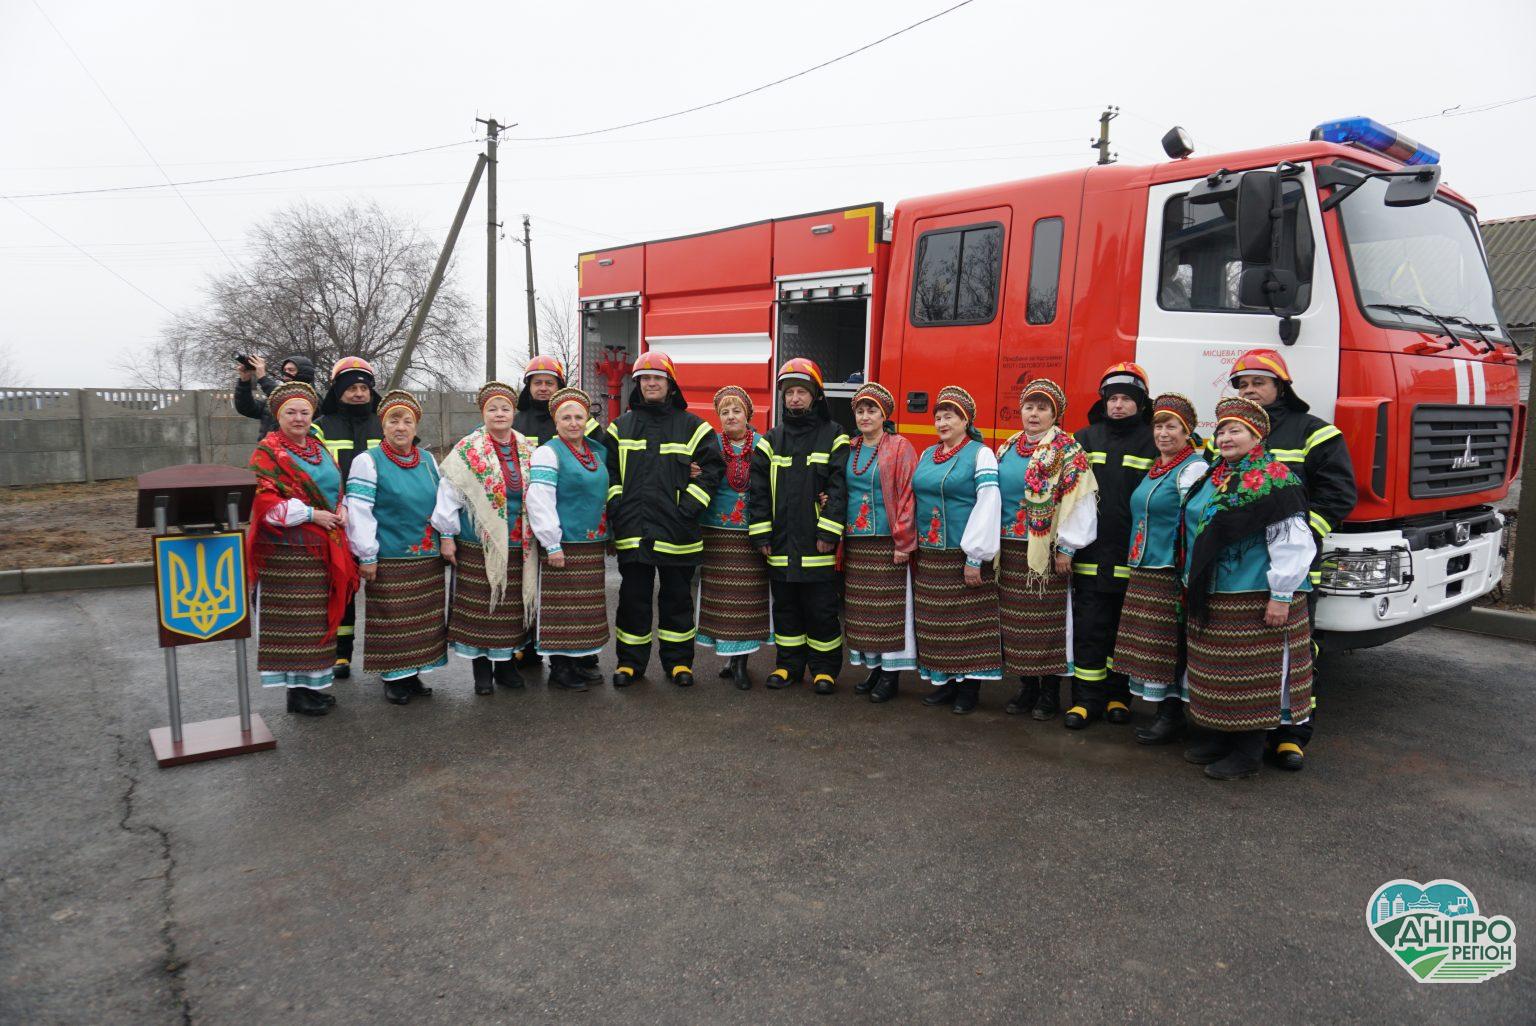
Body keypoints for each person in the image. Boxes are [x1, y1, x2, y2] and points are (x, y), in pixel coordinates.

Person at [1228, 349, 1356, 771]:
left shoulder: (1314, 432)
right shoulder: (1230, 433)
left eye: (1259, 383)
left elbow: (1338, 495)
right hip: (1240, 568)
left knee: (1294, 652)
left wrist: (1301, 537)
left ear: (1280, 387)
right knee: (1246, 653)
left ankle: (1291, 736)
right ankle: (1243, 732)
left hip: (1293, 568)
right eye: (1243, 385)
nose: (1250, 390)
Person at [1181, 396, 1315, 780]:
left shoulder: (1274, 479)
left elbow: (1292, 542)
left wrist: (1281, 596)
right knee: (1217, 672)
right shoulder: (1213, 475)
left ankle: (1248, 752)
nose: (1225, 437)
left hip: (1254, 594)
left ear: (1256, 437)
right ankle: (1220, 738)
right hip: (1214, 593)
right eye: (1222, 430)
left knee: (1251, 675)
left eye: (1235, 430)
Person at [604, 351, 724, 688]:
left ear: (670, 384)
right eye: (645, 378)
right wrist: (618, 508)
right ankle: (630, 664)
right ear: (638, 384)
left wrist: (688, 507)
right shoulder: (620, 427)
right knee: (633, 601)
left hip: (678, 531)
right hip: (635, 531)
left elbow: (712, 470)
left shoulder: (694, 427)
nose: (651, 383)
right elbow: (609, 473)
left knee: (677, 601)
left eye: (657, 377)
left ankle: (679, 663)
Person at [245, 381, 359, 717]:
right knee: (295, 624)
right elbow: (264, 502)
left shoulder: (318, 447)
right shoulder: (267, 451)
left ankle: (311, 687)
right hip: (287, 554)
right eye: (291, 413)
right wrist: (311, 514)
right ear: (279, 416)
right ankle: (296, 694)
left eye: (304, 412)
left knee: (316, 623)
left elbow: (335, 488)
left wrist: (341, 510)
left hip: (322, 548)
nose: (298, 418)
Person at [995, 378, 1097, 721]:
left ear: (1055, 414)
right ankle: (1027, 686)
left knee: (1046, 622)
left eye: (1042, 408)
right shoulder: (1009, 446)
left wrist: (1067, 548)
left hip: (1046, 551)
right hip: (1010, 549)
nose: (1034, 414)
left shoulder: (1068, 450)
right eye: (1029, 407)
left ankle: (1050, 691)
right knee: (1015, 624)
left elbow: (1080, 500)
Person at [748, 359, 849, 695]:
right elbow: (758, 492)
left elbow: (838, 488)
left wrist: (828, 531)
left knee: (821, 610)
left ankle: (824, 670)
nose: (794, 398)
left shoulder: (834, 435)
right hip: (779, 543)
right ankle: (788, 665)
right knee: (786, 609)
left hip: (816, 542)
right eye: (789, 392)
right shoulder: (770, 440)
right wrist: (761, 533)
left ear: (815, 395)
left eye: (801, 392)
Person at [432, 381, 540, 695]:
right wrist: (447, 535)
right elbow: (449, 494)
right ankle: (482, 672)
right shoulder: (468, 449)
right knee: (482, 609)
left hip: (518, 543)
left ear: (514, 412)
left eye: (505, 408)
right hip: (478, 544)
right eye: (492, 409)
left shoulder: (528, 448)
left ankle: (505, 667)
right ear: (483, 413)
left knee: (509, 610)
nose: (499, 414)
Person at [344, 390, 448, 705]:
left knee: (422, 620)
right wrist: (367, 554)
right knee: (393, 619)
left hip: (426, 556)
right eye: (393, 421)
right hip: (389, 555)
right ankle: (394, 677)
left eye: (407, 421)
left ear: (415, 427)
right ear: (383, 425)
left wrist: (446, 536)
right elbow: (359, 510)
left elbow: (441, 502)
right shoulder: (368, 461)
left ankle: (413, 675)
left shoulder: (427, 460)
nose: (400, 427)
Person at [1114, 393, 1206, 744]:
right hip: (1145, 566)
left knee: (1169, 645)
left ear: (1187, 432)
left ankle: (1171, 716)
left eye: (1172, 427)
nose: (1163, 433)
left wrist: (1188, 573)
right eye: (1158, 426)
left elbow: (1196, 522)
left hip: (1169, 569)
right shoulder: (1158, 466)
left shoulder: (1193, 469)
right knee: (1153, 646)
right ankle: (1164, 713)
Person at [1068, 363, 1156, 729]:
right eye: (1112, 398)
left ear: (1141, 403)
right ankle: (1085, 701)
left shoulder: (1154, 440)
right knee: (1089, 628)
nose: (1118, 405)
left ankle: (1119, 696)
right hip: (1090, 553)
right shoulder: (1084, 438)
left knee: (1124, 631)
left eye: (1126, 399)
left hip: (1132, 555)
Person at [511, 354, 607, 674]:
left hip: (576, 528)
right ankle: (530, 648)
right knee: (532, 590)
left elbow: (604, 461)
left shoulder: (587, 430)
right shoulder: (516, 421)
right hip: (531, 520)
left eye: (549, 382)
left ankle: (580, 653)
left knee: (575, 600)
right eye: (537, 383)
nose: (543, 388)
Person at [911, 385, 1001, 714]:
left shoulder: (980, 454)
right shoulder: (927, 454)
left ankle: (969, 689)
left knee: (968, 624)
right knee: (936, 623)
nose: (942, 422)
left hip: (962, 554)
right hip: (930, 554)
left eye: (949, 416)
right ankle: (947, 683)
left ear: (965, 421)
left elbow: (988, 504)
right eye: (938, 417)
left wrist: (975, 557)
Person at [528, 387, 613, 687]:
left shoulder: (595, 451)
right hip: (563, 543)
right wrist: (552, 543)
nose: (574, 423)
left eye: (579, 417)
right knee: (562, 608)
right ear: (556, 421)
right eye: (566, 418)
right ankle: (560, 668)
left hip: (590, 544)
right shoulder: (548, 452)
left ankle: (578, 662)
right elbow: (539, 500)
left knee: (584, 609)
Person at [842, 382, 919, 705]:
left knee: (889, 612)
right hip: (856, 544)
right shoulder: (849, 448)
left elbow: (908, 495)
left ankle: (891, 675)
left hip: (888, 542)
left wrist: (903, 541)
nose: (865, 416)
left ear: (884, 414)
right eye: (860, 411)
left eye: (871, 410)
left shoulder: (900, 447)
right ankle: (873, 668)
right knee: (863, 612)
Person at [696, 385, 772, 689]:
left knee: (746, 600)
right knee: (722, 600)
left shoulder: (763, 445)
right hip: (716, 533)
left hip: (750, 533)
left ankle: (741, 663)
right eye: (724, 412)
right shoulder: (709, 445)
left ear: (747, 414)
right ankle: (729, 658)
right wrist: (691, 471)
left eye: (736, 410)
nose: (730, 416)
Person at [314, 356, 384, 681]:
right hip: (336, 520)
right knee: (340, 587)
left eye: (363, 388)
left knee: (385, 591)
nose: (358, 394)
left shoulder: (385, 423)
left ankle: (390, 656)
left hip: (380, 519)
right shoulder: (321, 427)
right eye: (351, 388)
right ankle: (340, 653)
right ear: (337, 391)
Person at [234, 353, 315, 436]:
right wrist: (244, 381)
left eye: (291, 370)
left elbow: (288, 399)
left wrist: (262, 378)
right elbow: (246, 408)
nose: (286, 373)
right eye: (285, 370)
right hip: (268, 444)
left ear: (303, 373)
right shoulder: (274, 401)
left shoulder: (311, 398)